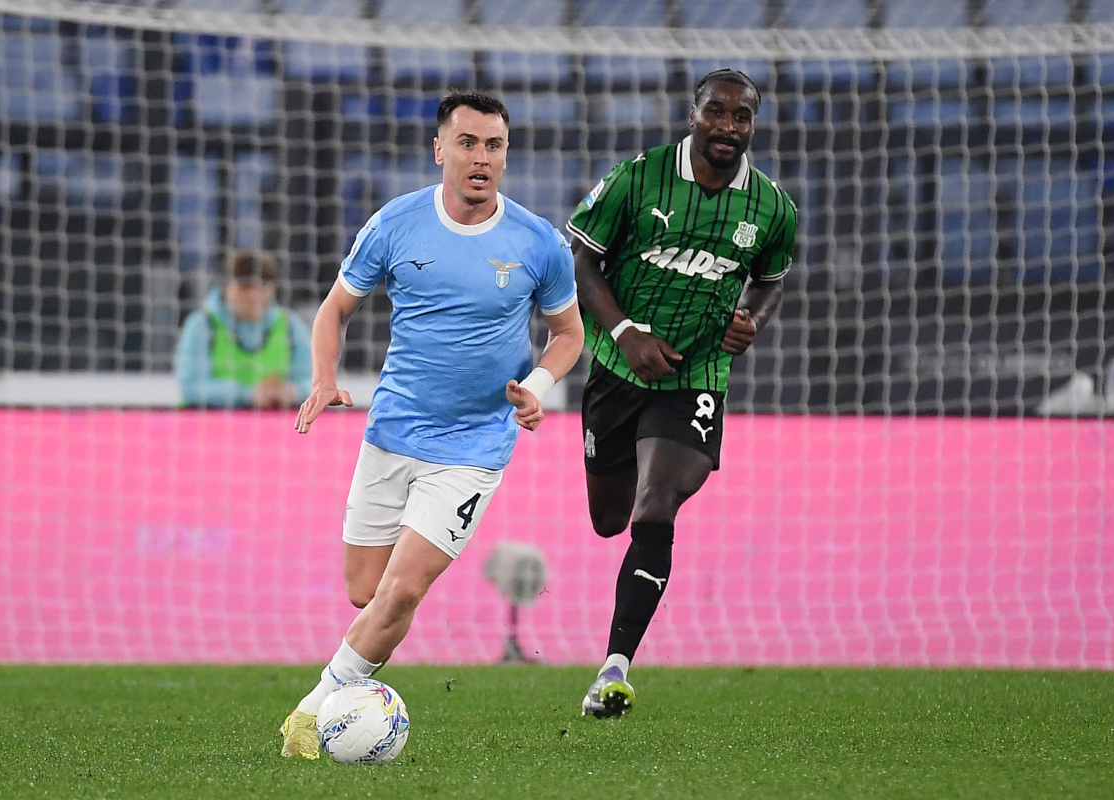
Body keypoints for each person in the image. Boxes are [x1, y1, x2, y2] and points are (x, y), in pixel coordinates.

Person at [279, 92, 584, 758]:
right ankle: (355, 684)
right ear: (439, 149)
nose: (482, 158)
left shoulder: (538, 241)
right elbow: (335, 310)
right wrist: (324, 378)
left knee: (404, 587)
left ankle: (312, 713)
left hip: (475, 447)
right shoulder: (395, 224)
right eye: (469, 143)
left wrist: (536, 387)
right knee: (368, 593)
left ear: (507, 154)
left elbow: (568, 333)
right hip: (392, 433)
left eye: (494, 145)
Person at [565, 69, 797, 718]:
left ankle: (614, 669)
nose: (728, 127)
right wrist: (624, 328)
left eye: (742, 116)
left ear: (755, 123)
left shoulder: (773, 207)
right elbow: (581, 257)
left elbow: (772, 278)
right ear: (693, 113)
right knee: (610, 519)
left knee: (657, 502)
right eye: (716, 113)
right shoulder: (638, 178)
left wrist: (753, 317)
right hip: (617, 367)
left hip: (695, 377)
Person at [176, 250, 313, 409]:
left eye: (261, 287)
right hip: (211, 425)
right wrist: (249, 395)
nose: (253, 296)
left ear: (273, 290)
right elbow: (191, 388)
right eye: (244, 287)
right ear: (226, 287)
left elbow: (311, 383)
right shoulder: (202, 324)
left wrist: (291, 392)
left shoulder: (291, 326)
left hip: (274, 426)